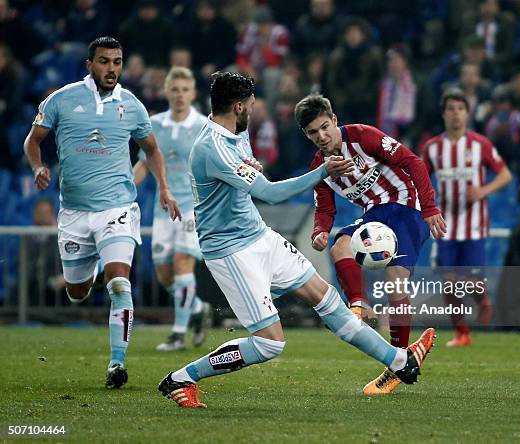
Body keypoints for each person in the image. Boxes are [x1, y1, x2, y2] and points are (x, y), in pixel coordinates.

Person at [158, 72, 436, 408]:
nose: (255, 110)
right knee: (270, 344)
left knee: (327, 298)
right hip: (231, 250)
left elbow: (247, 177)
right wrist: (322, 172)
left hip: (260, 236)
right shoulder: (212, 146)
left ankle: (399, 361)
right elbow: (271, 194)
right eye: (251, 105)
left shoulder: (237, 133)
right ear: (239, 106)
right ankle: (183, 378)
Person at [23, 36, 180, 389]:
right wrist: (37, 167)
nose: (112, 69)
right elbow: (33, 141)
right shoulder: (61, 99)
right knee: (76, 292)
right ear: (89, 64)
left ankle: (117, 364)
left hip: (118, 208)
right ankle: (93, 263)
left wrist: (165, 188)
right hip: (75, 213)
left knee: (119, 283)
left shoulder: (133, 105)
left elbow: (152, 150)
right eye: (105, 61)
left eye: (118, 62)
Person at [296, 93, 446, 395]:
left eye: (325, 127)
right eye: (313, 132)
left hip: (408, 207)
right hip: (376, 215)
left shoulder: (364, 137)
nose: (322, 136)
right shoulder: (320, 167)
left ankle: (396, 362)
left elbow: (413, 162)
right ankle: (360, 307)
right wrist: (318, 231)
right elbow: (325, 210)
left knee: (395, 283)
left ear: (335, 120)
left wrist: (429, 208)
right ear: (306, 134)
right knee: (338, 245)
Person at [422, 89, 512, 347]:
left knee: (471, 283)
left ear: (467, 113)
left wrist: (483, 190)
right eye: (451, 108)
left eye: (460, 109)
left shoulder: (480, 144)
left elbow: (505, 175)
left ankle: (482, 299)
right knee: (449, 284)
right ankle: (462, 333)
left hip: (473, 225)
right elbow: (420, 178)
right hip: (444, 226)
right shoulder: (432, 148)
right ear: (443, 114)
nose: (456, 114)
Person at [133, 66, 208, 352]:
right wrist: (125, 190)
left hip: (193, 208)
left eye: (184, 90)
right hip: (163, 209)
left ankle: (178, 334)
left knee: (182, 263)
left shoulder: (203, 125)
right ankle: (197, 308)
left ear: (193, 93)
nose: (179, 95)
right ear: (166, 92)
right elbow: (144, 163)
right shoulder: (155, 125)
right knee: (165, 274)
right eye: (174, 89)